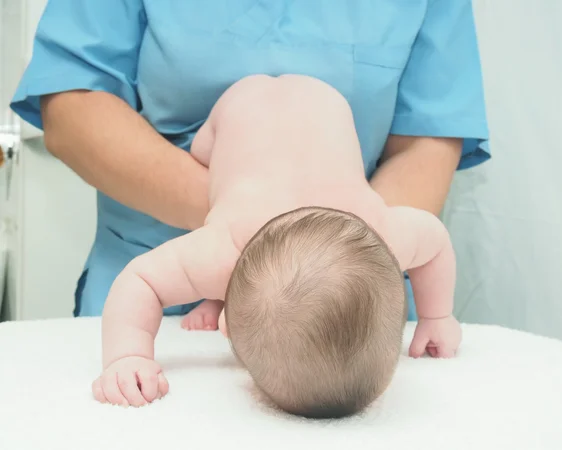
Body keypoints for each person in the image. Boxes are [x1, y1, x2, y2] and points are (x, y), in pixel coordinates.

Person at [10, 0, 489, 323]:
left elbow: (429, 138)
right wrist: (248, 233)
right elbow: (73, 108)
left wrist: (324, 257)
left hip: (346, 306)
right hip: (164, 295)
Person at [94, 74, 462, 417]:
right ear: (228, 327)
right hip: (239, 109)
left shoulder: (384, 233)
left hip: (326, 107)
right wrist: (127, 355)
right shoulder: (223, 249)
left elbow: (435, 242)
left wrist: (436, 316)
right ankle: (212, 293)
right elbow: (140, 280)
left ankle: (212, 294)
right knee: (203, 153)